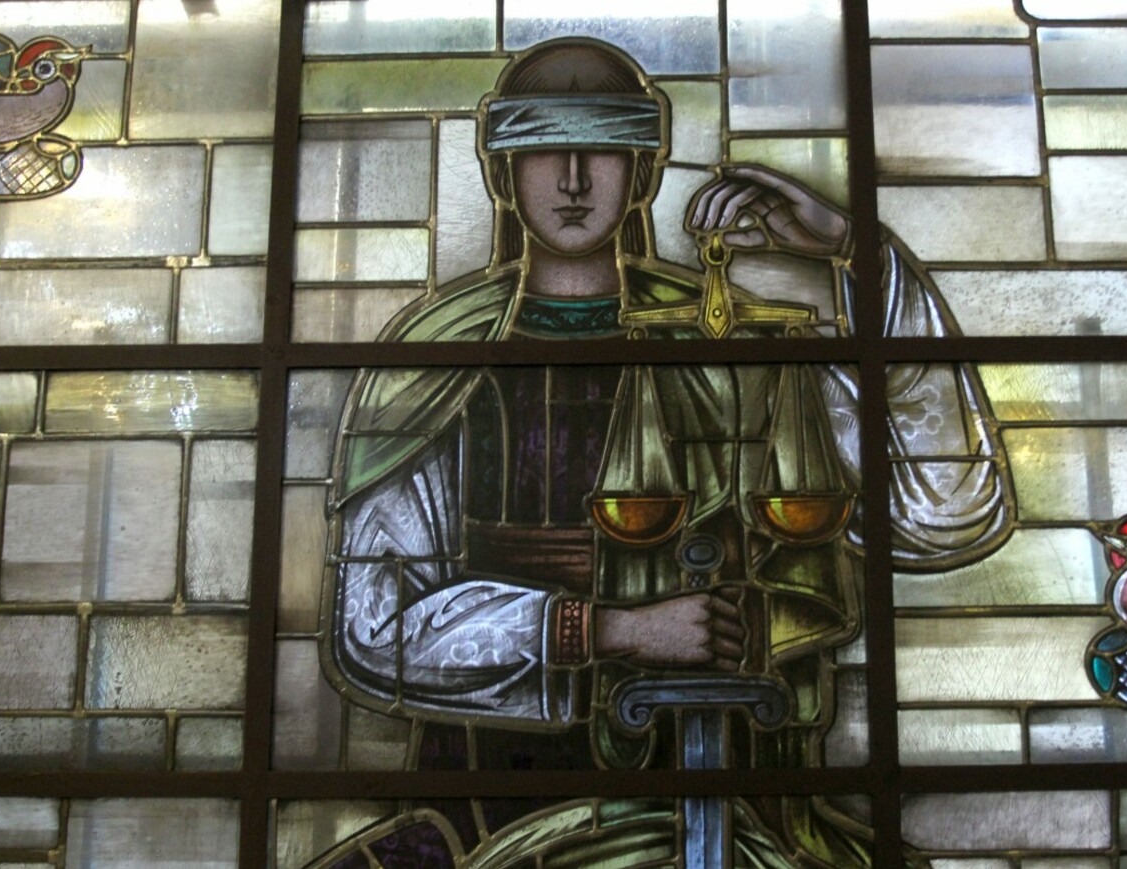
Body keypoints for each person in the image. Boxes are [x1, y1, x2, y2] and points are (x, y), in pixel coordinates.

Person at [317, 37, 1012, 869]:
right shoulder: (437, 362)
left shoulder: (725, 343)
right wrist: (610, 629)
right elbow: (372, 630)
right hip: (502, 804)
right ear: (502, 172)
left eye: (604, 150)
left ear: (643, 170)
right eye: (545, 150)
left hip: (739, 797)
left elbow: (944, 508)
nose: (575, 180)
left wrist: (852, 250)